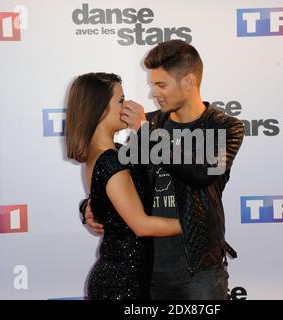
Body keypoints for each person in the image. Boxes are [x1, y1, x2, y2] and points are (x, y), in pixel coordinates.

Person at [82, 40, 245, 300]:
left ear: (189, 81)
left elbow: (201, 173)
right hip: (148, 269)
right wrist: (91, 205)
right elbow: (123, 179)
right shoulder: (150, 124)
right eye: (151, 84)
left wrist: (146, 133)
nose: (153, 93)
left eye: (161, 85)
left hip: (200, 272)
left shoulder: (225, 128)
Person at [65, 72, 182, 300]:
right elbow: (141, 225)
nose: (127, 106)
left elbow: (164, 174)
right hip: (122, 284)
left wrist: (88, 207)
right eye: (121, 100)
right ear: (99, 109)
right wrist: (197, 226)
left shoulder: (114, 152)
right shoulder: (110, 159)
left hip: (129, 278)